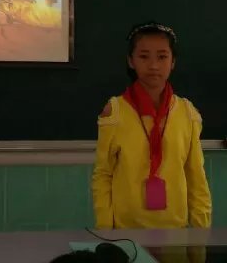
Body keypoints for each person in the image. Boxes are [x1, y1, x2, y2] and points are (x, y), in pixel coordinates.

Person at [91, 21, 212, 229]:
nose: (154, 65)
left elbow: (196, 177)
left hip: (176, 232)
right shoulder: (115, 111)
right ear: (131, 61)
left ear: (173, 61)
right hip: (126, 232)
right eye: (144, 56)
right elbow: (103, 174)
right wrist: (106, 232)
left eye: (162, 57)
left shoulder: (187, 113)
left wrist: (200, 233)